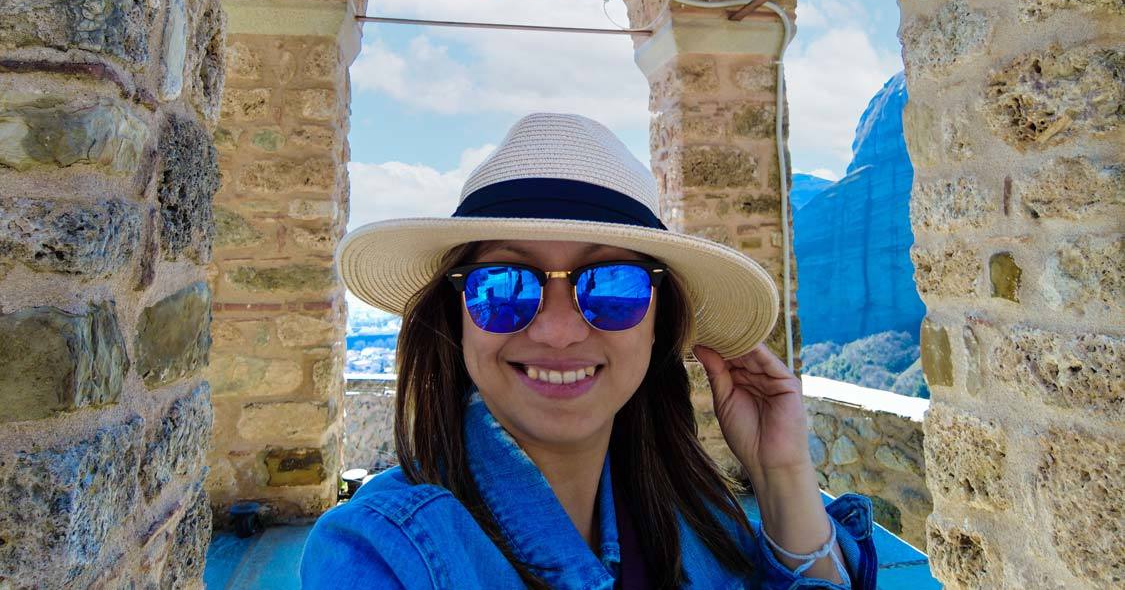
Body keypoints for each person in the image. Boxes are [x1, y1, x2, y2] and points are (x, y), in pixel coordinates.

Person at [301, 113, 876, 589]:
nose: (557, 330)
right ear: (457, 316)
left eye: (612, 285)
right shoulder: (383, 555)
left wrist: (782, 476)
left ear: (658, 319)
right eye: (506, 283)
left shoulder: (696, 517)